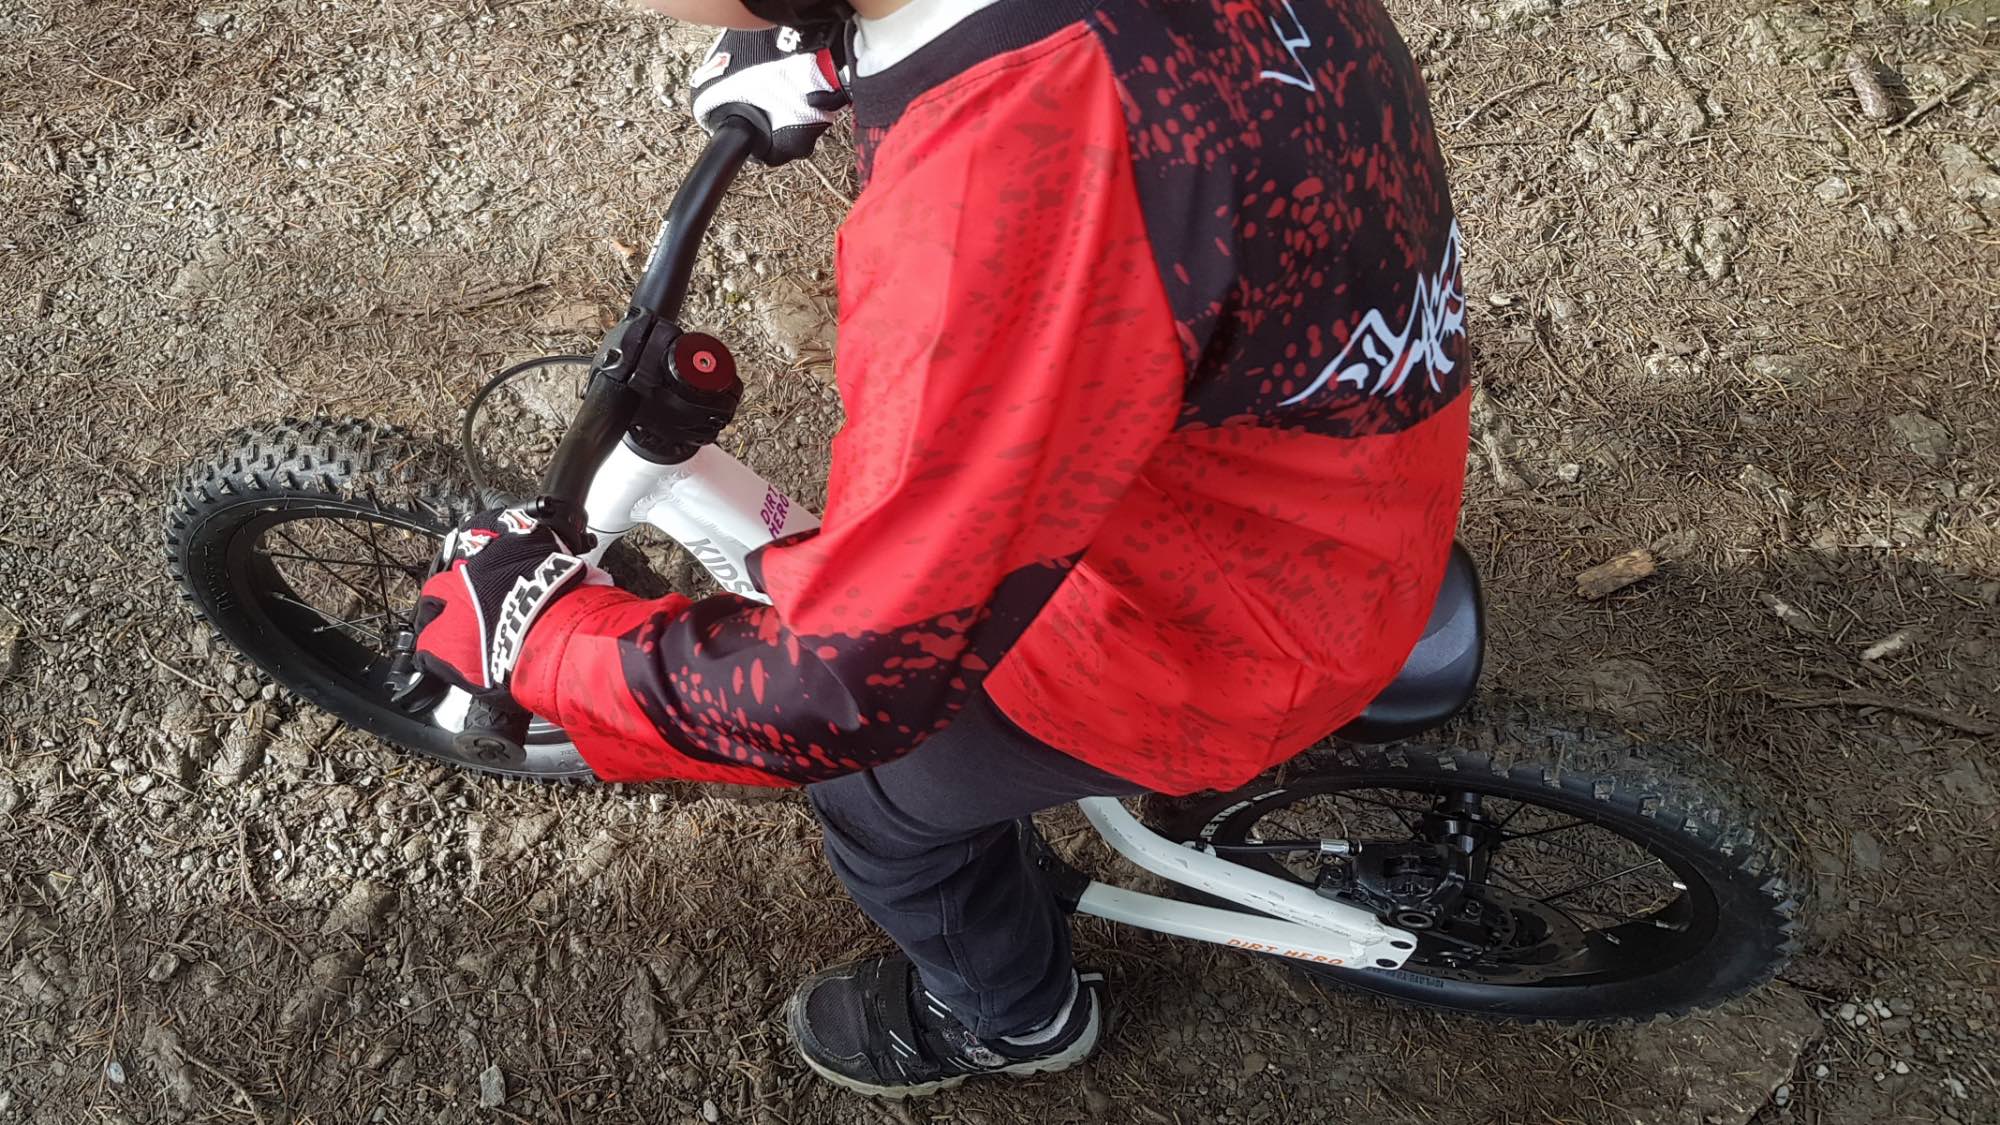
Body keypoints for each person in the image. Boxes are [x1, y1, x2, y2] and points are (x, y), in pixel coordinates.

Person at [410, 0, 1471, 1099]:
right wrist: (872, 56)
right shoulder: (1067, 76)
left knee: (876, 803)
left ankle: (1012, 1017)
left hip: (1211, 646)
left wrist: (547, 645)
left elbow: (844, 684)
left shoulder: (1007, 183)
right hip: (1346, 487)